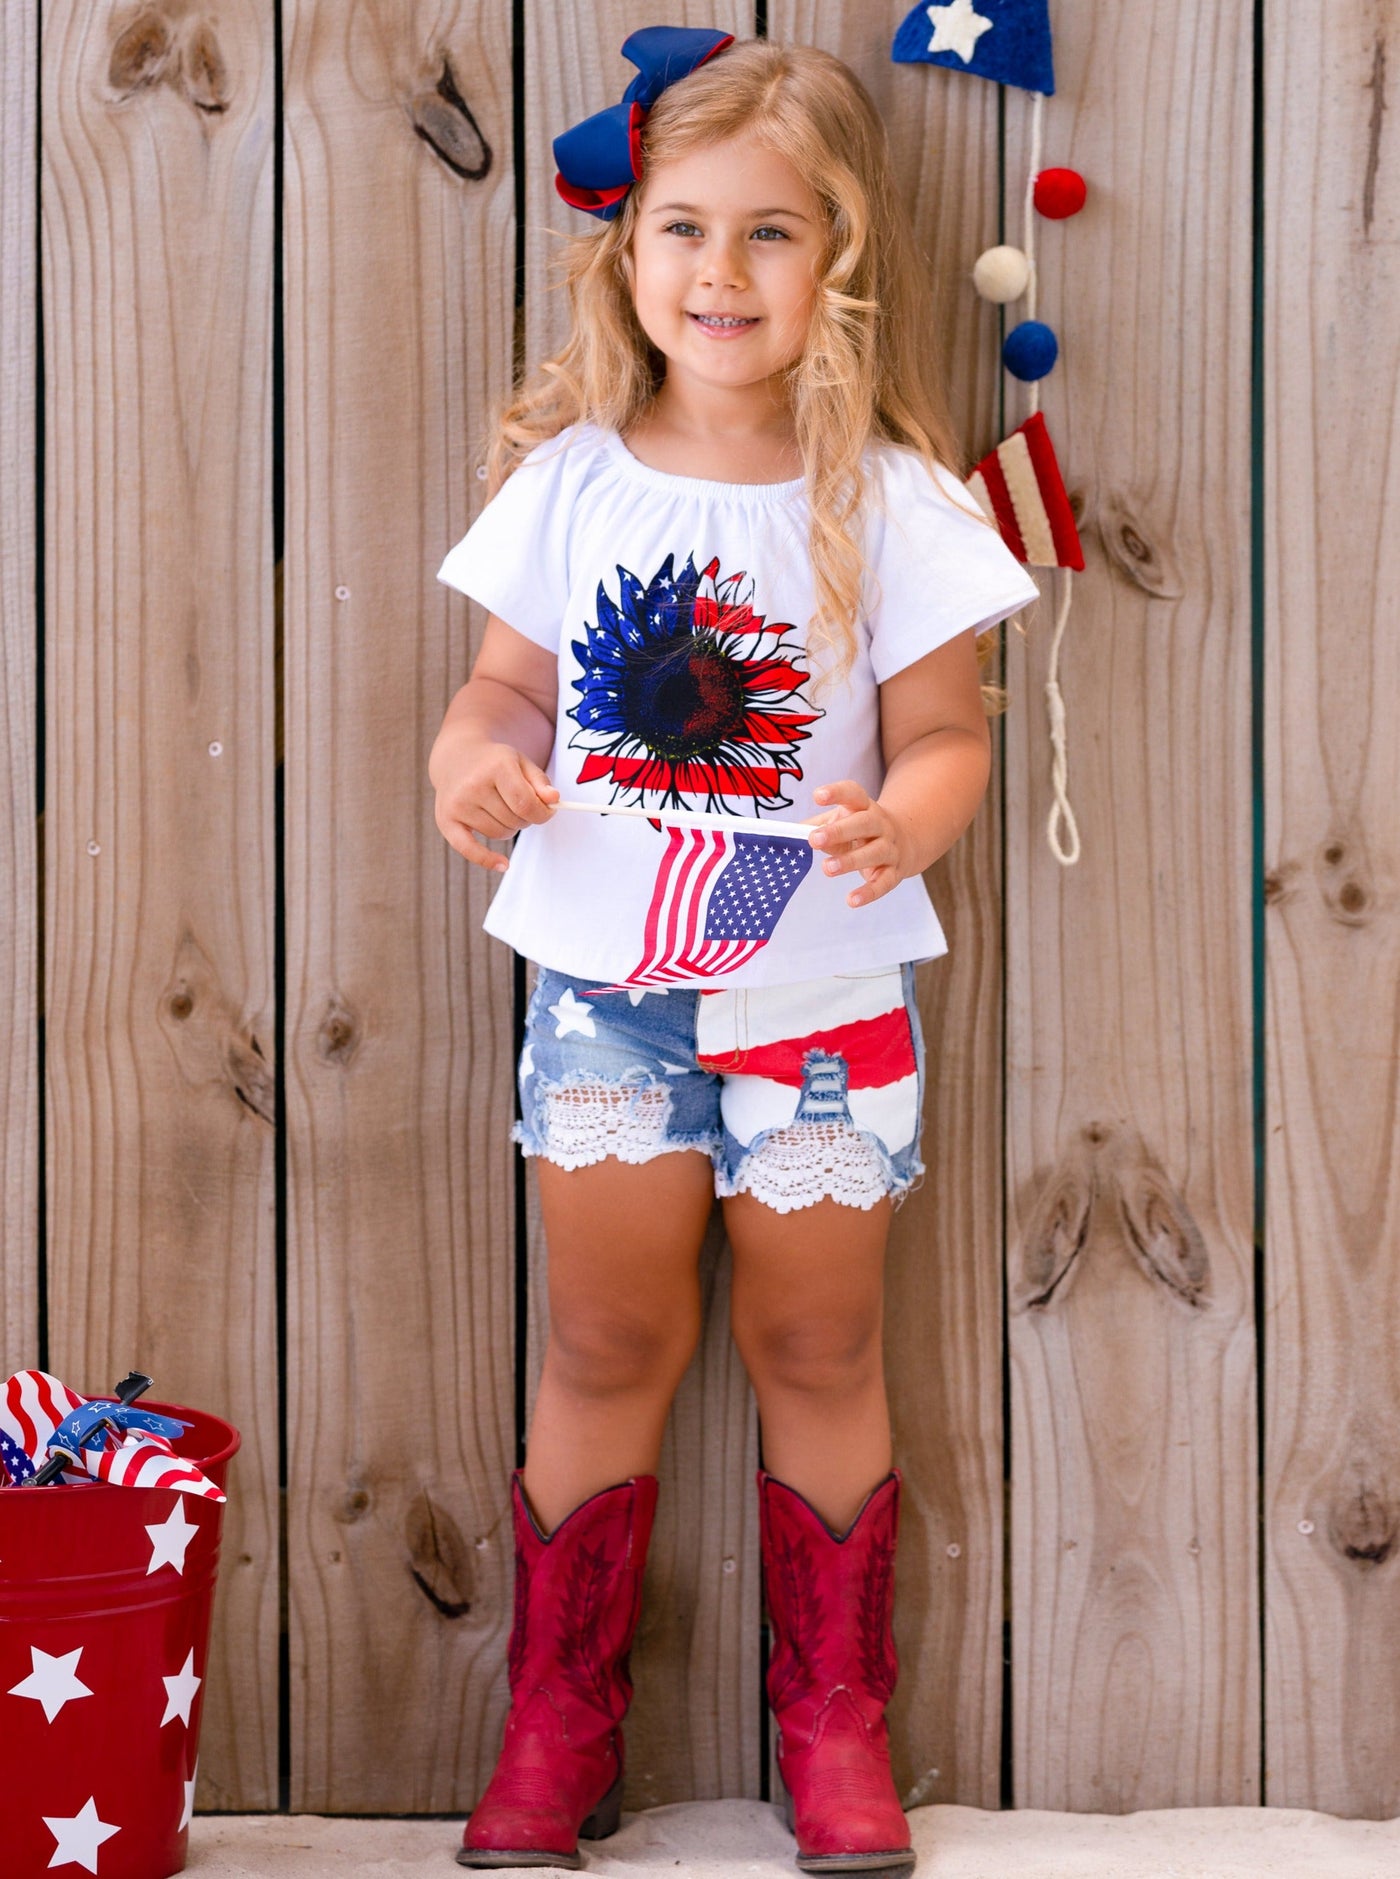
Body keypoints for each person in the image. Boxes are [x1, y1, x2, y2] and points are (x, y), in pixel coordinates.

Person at [429, 27, 1038, 1874]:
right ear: (628, 250)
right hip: (606, 984)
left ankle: (837, 1716)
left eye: (772, 233)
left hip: (821, 990)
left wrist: (908, 818)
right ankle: (562, 1714)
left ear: (841, 256)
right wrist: (474, 764)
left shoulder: (897, 503)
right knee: (607, 1331)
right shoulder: (573, 484)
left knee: (819, 1333)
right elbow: (496, 685)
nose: (720, 272)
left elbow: (949, 732)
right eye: (684, 226)